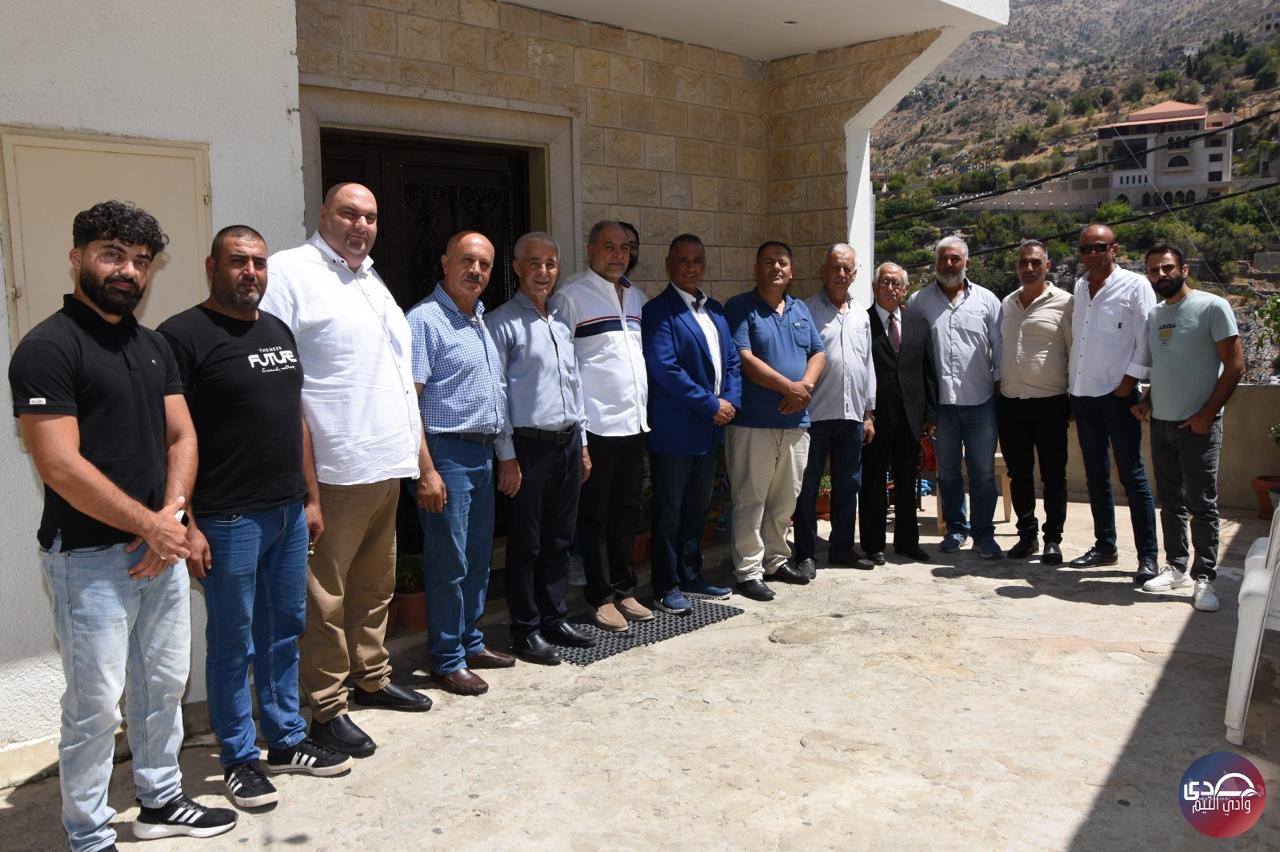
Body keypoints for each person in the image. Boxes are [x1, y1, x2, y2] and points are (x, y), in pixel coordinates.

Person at [9, 200, 236, 848]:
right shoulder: (48, 347)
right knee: (94, 706)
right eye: (112, 254)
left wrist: (172, 519)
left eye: (140, 260)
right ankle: (89, 834)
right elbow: (59, 464)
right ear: (77, 257)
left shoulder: (153, 345)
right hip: (88, 560)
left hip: (159, 550)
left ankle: (161, 799)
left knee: (163, 685)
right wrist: (155, 527)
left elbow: (182, 436)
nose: (128, 271)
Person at [158, 226, 351, 810]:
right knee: (233, 643)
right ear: (211, 266)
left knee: (284, 630)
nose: (251, 273)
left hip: (288, 512)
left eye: (260, 263)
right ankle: (239, 757)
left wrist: (310, 497)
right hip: (227, 520)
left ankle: (286, 739)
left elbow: (295, 420)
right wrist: (186, 522)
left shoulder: (277, 330)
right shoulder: (181, 337)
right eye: (238, 261)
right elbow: (169, 438)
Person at [261, 183, 431, 761]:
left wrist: (418, 461)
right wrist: (304, 481)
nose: (361, 225)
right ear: (323, 215)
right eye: (349, 213)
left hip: (385, 465)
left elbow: (398, 379)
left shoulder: (371, 281)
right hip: (333, 470)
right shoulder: (291, 273)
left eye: (371, 217)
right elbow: (279, 382)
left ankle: (372, 677)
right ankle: (328, 707)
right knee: (324, 600)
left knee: (374, 587)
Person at [408, 231, 517, 692]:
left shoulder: (479, 320)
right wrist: (426, 470)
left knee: (476, 557)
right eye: (467, 261)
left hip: (481, 453)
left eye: (485, 264)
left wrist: (503, 455)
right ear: (445, 262)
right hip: (446, 454)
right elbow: (409, 402)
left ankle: (471, 641)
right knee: (448, 561)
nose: (476, 271)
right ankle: (446, 657)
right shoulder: (424, 321)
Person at [485, 232, 598, 665]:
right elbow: (497, 393)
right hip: (527, 449)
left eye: (550, 264)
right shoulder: (501, 323)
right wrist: (506, 455)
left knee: (559, 539)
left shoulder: (561, 323)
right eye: (534, 263)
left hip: (566, 444)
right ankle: (525, 629)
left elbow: (575, 386)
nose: (544, 272)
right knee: (526, 544)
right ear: (517, 268)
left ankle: (554, 617)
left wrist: (582, 444)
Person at [550, 221, 652, 631]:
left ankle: (625, 589)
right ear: (590, 249)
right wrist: (580, 436)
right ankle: (599, 596)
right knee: (594, 515)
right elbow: (564, 368)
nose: (618, 255)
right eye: (609, 247)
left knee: (626, 511)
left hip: (634, 422)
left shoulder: (637, 297)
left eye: (624, 248)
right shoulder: (571, 296)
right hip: (596, 426)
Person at [1131, 242, 1243, 612]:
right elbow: (1163, 366)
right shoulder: (1155, 314)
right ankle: (1177, 567)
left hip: (1198, 427)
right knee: (1170, 502)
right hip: (1161, 423)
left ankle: (1205, 576)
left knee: (1202, 504)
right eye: (1154, 270)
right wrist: (1148, 401)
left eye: (1167, 268)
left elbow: (1235, 366)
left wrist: (1207, 414)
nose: (1161, 275)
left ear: (1184, 269)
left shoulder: (1213, 306)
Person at [641, 234, 741, 614]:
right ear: (668, 264)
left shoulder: (715, 310)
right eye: (682, 260)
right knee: (670, 512)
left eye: (697, 260)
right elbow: (665, 369)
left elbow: (732, 361)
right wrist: (711, 404)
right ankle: (665, 585)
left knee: (698, 508)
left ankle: (690, 574)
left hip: (709, 429)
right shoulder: (658, 311)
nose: (690, 267)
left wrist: (730, 402)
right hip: (676, 430)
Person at [723, 241, 825, 601]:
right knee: (750, 498)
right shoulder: (740, 307)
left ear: (791, 271)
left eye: (782, 262)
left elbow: (818, 352)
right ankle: (748, 571)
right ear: (757, 269)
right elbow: (744, 357)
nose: (775, 268)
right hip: (753, 424)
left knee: (785, 500)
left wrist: (804, 387)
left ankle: (776, 559)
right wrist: (788, 388)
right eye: (768, 262)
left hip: (796, 423)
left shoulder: (800, 308)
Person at [1066, 224, 1159, 585]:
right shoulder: (1079, 287)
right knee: (1095, 474)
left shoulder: (1135, 286)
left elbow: (1146, 340)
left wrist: (1127, 385)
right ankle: (1105, 546)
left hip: (1118, 397)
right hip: (1083, 395)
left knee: (1132, 474)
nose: (1092, 254)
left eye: (1099, 247)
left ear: (1114, 249)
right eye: (1086, 248)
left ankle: (1148, 556)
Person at [908, 236, 1004, 559]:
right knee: (947, 473)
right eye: (943, 259)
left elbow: (999, 351)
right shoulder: (919, 302)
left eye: (955, 259)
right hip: (941, 408)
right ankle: (956, 529)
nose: (948, 264)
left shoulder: (988, 301)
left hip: (981, 403)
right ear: (935, 263)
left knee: (983, 474)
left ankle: (984, 534)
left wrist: (999, 393)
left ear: (967, 263)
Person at [794, 243, 876, 574]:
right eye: (835, 268)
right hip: (815, 415)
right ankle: (806, 554)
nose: (841, 274)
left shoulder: (861, 315)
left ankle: (842, 549)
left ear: (854, 275)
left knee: (847, 486)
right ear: (823, 271)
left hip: (852, 415)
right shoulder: (805, 310)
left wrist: (868, 413)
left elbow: (867, 364)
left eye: (847, 269)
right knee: (807, 488)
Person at [996, 240, 1073, 564]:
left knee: (1053, 475)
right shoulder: (1007, 303)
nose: (1029, 268)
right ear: (1017, 267)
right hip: (1011, 401)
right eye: (1023, 263)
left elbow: (1073, 351)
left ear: (1047, 266)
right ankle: (1026, 535)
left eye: (1035, 263)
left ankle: (1053, 538)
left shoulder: (1065, 303)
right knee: (1019, 474)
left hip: (1050, 402)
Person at [860, 263, 937, 564]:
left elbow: (928, 371)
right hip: (876, 417)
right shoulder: (862, 322)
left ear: (905, 289)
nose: (890, 288)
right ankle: (873, 544)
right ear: (874, 287)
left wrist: (930, 414)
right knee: (873, 481)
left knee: (908, 481)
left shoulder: (919, 324)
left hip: (910, 415)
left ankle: (907, 542)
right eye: (884, 282)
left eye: (896, 283)